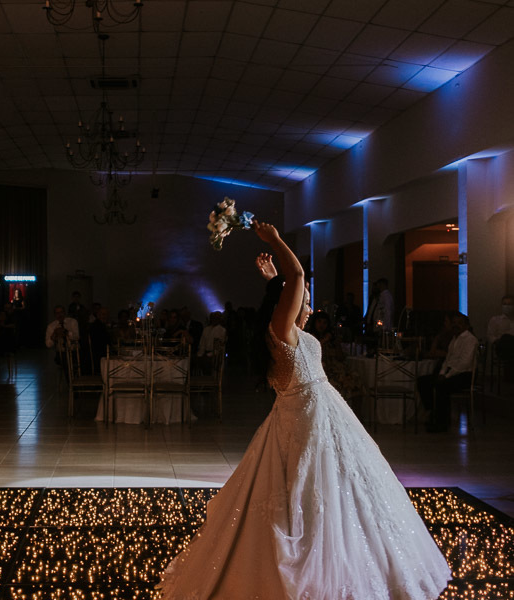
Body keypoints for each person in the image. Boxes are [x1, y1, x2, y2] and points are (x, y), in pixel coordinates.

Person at [157, 221, 450, 599]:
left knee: (343, 493)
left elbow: (291, 284)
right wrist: (277, 242)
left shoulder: (290, 331)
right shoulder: (282, 333)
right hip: (306, 424)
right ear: (287, 304)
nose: (308, 306)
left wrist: (274, 279)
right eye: (304, 300)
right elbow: (297, 276)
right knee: (306, 493)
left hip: (324, 420)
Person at [416, 312, 479, 433]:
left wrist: (447, 375)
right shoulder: (454, 340)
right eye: (454, 323)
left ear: (466, 325)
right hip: (451, 372)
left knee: (442, 386)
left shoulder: (470, 340)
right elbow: (448, 360)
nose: (456, 326)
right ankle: (432, 411)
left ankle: (441, 423)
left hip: (465, 374)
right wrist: (442, 373)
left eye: (459, 323)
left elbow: (464, 363)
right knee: (423, 381)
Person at [488, 294, 514, 362]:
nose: (507, 306)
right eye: (505, 304)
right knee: (506, 338)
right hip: (501, 347)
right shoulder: (495, 320)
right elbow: (490, 335)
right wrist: (498, 341)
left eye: (510, 304)